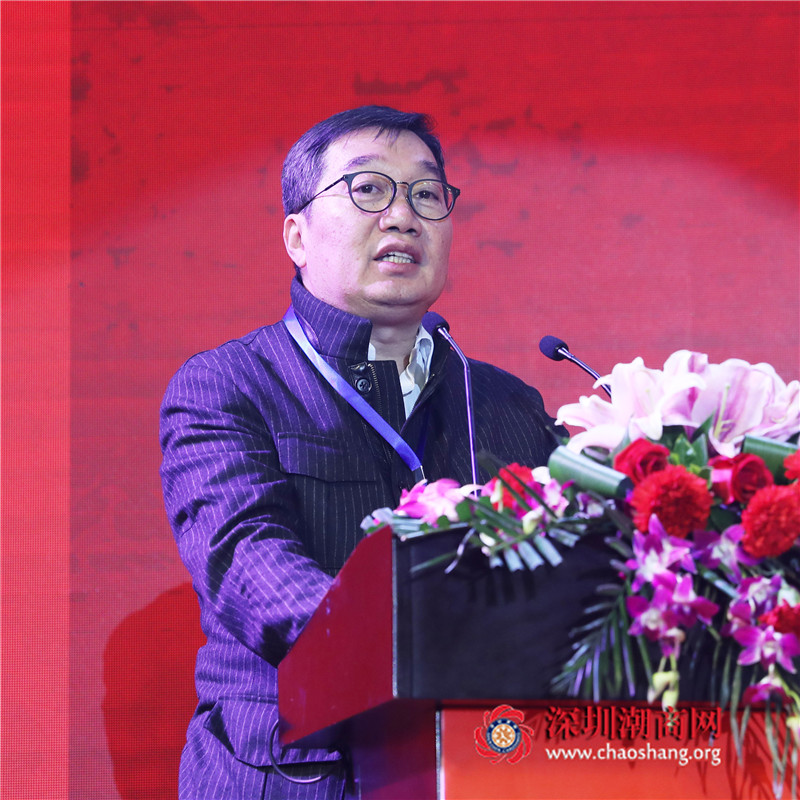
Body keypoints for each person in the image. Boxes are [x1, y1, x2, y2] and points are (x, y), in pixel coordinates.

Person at [160, 105, 563, 800]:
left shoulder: (505, 403)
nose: (403, 216)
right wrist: (412, 641)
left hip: (481, 769)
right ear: (297, 235)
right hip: (293, 775)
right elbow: (246, 561)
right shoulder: (227, 385)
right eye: (368, 189)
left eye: (427, 194)